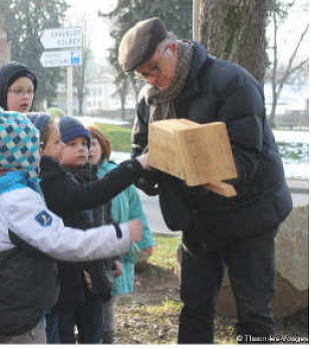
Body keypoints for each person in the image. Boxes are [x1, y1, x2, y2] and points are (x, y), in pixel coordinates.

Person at [118, 17, 293, 344]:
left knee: (254, 313)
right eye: (143, 75)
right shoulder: (149, 98)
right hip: (197, 219)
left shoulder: (232, 82)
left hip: (250, 214)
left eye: (154, 68)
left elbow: (247, 157)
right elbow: (141, 148)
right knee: (195, 306)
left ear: (171, 48)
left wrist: (192, 165)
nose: (152, 80)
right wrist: (147, 173)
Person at [0, 107, 143, 344]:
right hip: (20, 317)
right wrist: (120, 236)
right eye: (58, 142)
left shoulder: (15, 187)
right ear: (31, 149)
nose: (65, 148)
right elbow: (62, 240)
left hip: (26, 305)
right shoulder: (18, 197)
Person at [35, 115, 149, 343]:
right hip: (65, 284)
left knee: (96, 333)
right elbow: (86, 206)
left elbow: (100, 221)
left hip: (91, 281)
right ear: (39, 148)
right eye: (67, 143)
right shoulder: (52, 181)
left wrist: (110, 257)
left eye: (85, 143)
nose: (81, 149)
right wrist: (137, 165)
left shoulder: (86, 177)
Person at [87, 124, 154, 343]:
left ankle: (107, 338)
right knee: (90, 304)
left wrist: (145, 241)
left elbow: (136, 211)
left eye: (92, 143)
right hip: (89, 253)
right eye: (81, 144)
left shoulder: (119, 176)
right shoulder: (76, 178)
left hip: (116, 253)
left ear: (103, 146)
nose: (88, 149)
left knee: (108, 301)